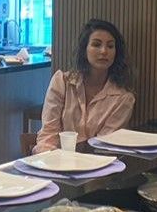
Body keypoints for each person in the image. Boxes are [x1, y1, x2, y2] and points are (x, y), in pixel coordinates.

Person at [32, 19, 135, 153]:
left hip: (97, 166)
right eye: (96, 44)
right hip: (55, 161)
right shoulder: (62, 82)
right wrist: (50, 161)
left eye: (110, 46)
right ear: (84, 49)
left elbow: (103, 146)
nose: (104, 51)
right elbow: (48, 134)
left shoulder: (123, 98)